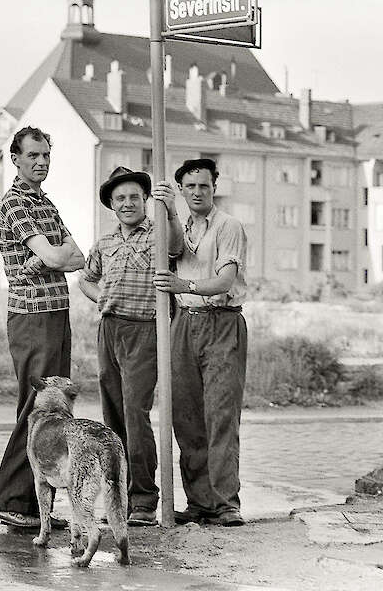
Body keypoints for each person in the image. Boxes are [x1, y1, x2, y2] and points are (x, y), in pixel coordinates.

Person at [0, 126, 85, 529]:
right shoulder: (14, 202)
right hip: (31, 316)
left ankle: (33, 508)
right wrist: (50, 255)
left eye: (46, 155)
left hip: (55, 312)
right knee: (37, 408)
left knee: (53, 408)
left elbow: (77, 257)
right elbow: (54, 252)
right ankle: (10, 501)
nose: (41, 162)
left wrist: (50, 258)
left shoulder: (45, 203)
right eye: (33, 156)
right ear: (15, 158)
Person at [78, 166, 183, 526]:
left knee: (135, 413)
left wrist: (169, 211)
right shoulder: (105, 243)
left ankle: (143, 499)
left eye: (134, 197)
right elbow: (86, 280)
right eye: (120, 198)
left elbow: (175, 246)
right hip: (110, 330)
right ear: (111, 203)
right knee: (113, 415)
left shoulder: (155, 235)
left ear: (144, 201)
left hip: (144, 332)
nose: (127, 203)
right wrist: (102, 299)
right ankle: (117, 496)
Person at [152, 158, 248, 527]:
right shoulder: (179, 225)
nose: (197, 192)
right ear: (181, 190)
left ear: (214, 188)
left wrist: (185, 286)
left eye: (203, 186)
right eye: (189, 187)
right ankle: (200, 502)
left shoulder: (229, 226)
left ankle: (226, 503)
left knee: (220, 415)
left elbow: (224, 280)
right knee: (186, 416)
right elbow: (175, 250)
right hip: (184, 324)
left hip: (222, 322)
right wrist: (170, 212)